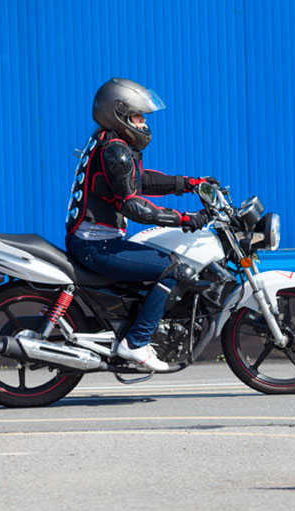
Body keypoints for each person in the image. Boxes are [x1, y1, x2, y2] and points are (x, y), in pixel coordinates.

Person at [65, 78, 218, 371]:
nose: (144, 122)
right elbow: (133, 205)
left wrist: (189, 184)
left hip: (94, 240)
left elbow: (138, 180)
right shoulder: (116, 150)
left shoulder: (110, 144)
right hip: (96, 245)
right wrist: (184, 219)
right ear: (118, 113)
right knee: (175, 268)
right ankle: (136, 342)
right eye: (137, 116)